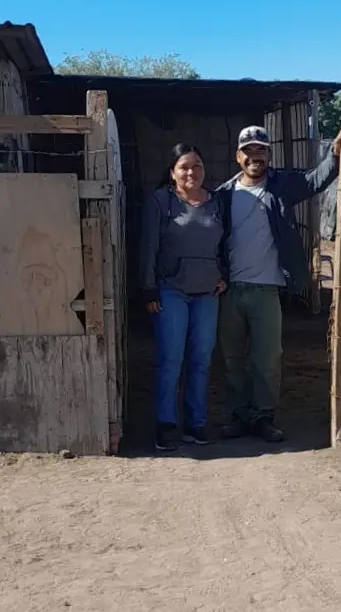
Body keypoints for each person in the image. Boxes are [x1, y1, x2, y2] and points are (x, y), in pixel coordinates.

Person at [216, 124, 341, 442]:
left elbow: (314, 180)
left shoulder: (282, 185)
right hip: (230, 290)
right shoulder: (224, 195)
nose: (255, 157)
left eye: (261, 150)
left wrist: (334, 156)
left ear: (269, 154)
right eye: (249, 151)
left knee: (267, 359)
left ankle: (263, 416)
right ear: (238, 156)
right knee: (232, 359)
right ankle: (238, 415)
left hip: (267, 289)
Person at [140, 143, 227, 452]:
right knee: (171, 359)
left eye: (197, 166)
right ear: (172, 172)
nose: (192, 172)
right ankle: (166, 424)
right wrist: (148, 288)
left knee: (201, 360)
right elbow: (148, 247)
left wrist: (224, 275)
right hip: (170, 291)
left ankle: (195, 423)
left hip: (207, 293)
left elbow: (226, 244)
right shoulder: (160, 202)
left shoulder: (216, 202)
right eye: (185, 167)